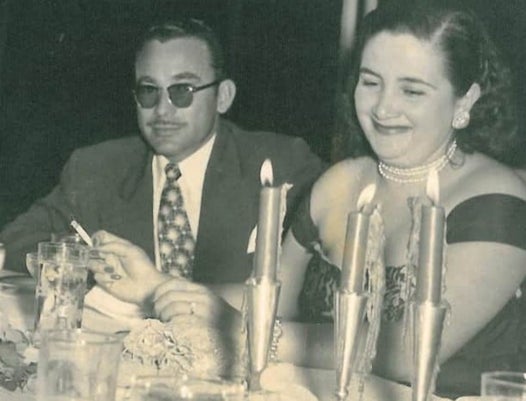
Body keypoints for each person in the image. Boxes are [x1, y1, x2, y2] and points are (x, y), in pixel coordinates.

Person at [273, 0, 526, 398]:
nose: (383, 107)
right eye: (371, 82)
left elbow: (407, 353)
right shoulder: (340, 180)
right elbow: (271, 297)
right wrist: (181, 297)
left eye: (411, 90)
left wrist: (264, 337)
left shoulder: (498, 203)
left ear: (464, 102)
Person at [0, 20, 323, 328]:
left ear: (223, 97)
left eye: (182, 91)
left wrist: (164, 291)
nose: (163, 110)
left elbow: (316, 290)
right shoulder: (97, 167)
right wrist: (90, 264)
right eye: (149, 91)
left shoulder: (281, 165)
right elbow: (16, 243)